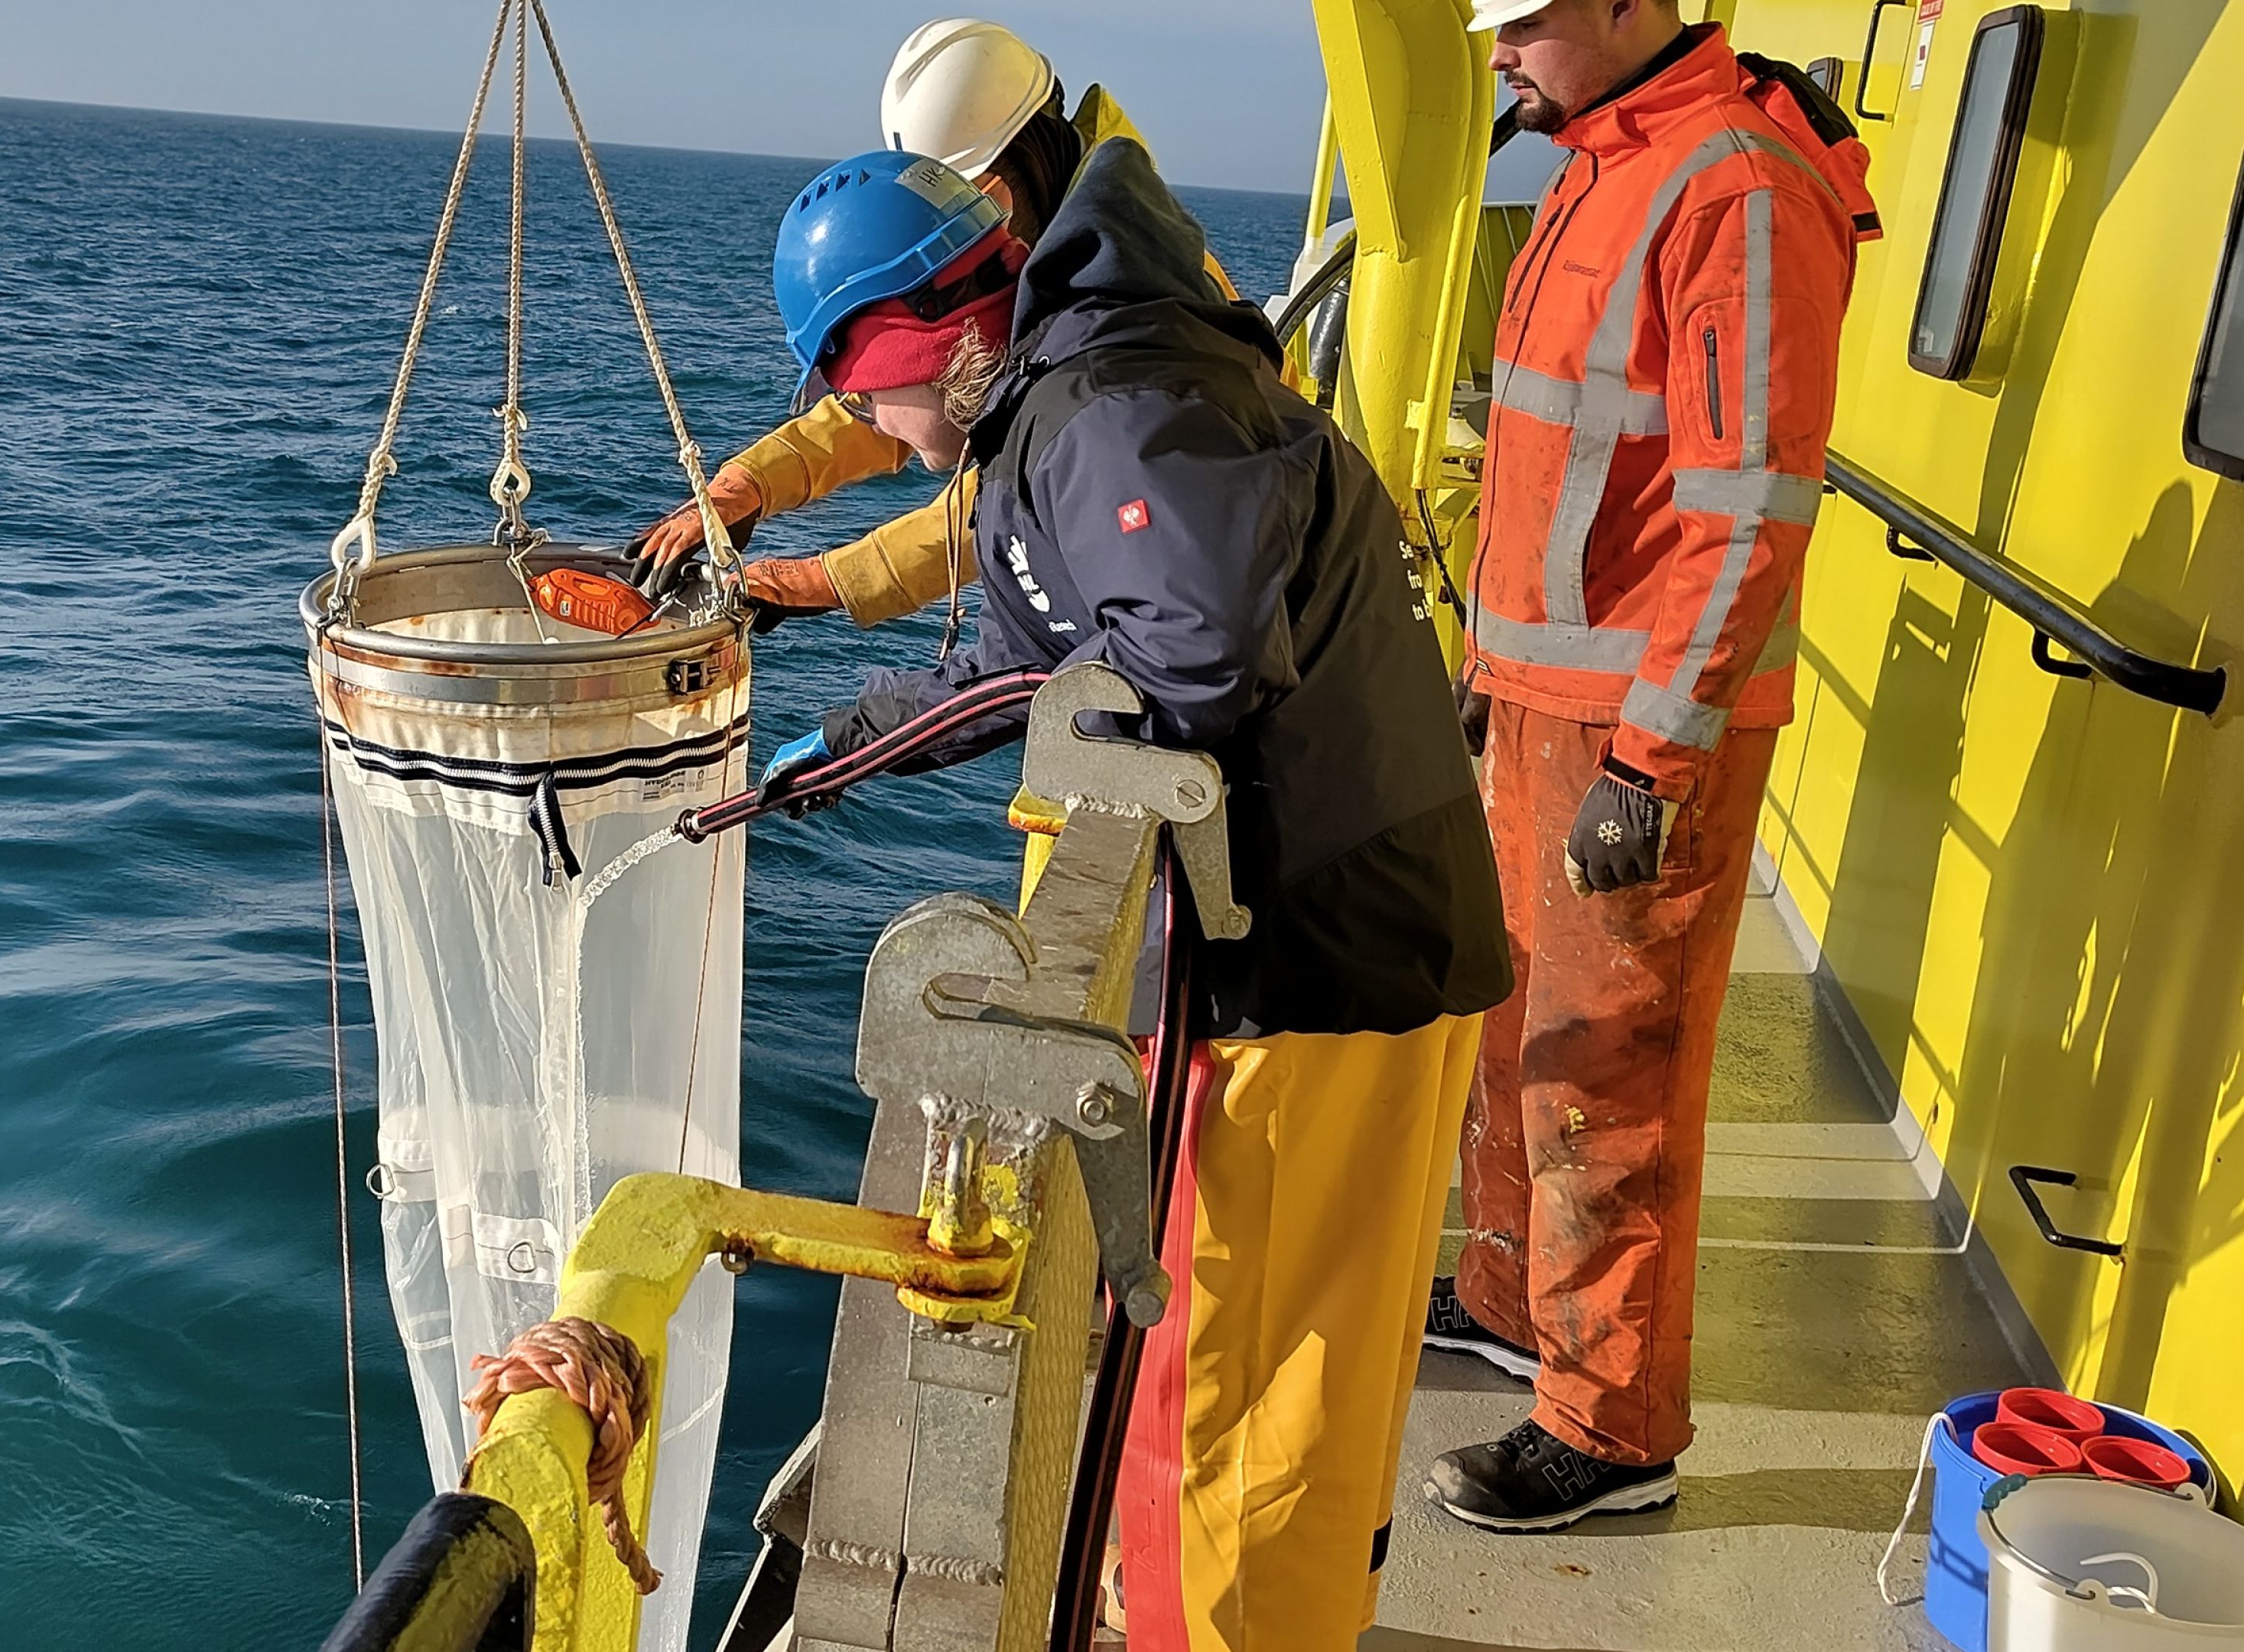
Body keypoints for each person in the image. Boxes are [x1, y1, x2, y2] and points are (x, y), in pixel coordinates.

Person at [753, 142, 1512, 1650]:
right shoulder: (1092, 385)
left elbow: (1189, 655)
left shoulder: (1107, 413)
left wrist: (947, 729)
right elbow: (1038, 651)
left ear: (918, 339)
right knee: (1264, 1357)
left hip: (1316, 953)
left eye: (869, 397)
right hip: (1342, 926)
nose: (885, 436)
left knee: (1257, 1382)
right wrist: (852, 742)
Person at [1421, 0, 1879, 1533]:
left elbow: (1747, 504)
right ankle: (1507, 1300)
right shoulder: (1603, 152)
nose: (1499, 55)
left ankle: (1608, 1431)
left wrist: (1651, 755)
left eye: (1525, 25)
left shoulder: (1733, 181)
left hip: (1633, 732)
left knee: (1608, 1078)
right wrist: (1497, 680)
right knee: (1517, 1035)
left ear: (1628, 4)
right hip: (1550, 702)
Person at [631, 17, 1234, 630]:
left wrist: (827, 579)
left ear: (996, 189)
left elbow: (1033, 488)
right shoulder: (1052, 252)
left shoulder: (1120, 301)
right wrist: (748, 484)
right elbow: (915, 391)